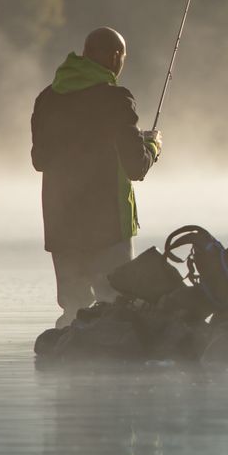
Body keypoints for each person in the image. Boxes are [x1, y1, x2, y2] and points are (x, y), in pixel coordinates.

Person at [31, 27, 162, 326]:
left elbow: (39, 160)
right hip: (108, 227)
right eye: (122, 57)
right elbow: (136, 167)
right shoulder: (116, 99)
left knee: (73, 313)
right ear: (115, 56)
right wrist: (152, 145)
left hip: (61, 225)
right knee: (116, 308)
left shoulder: (47, 99)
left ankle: (66, 366)